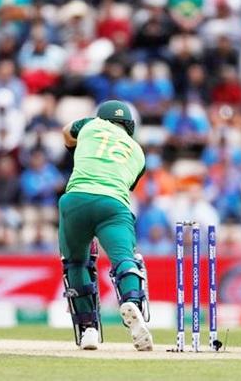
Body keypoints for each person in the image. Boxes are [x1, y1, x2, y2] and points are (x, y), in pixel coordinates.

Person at [59, 100, 152, 351]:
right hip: (114, 204)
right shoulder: (138, 152)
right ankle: (132, 301)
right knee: (125, 259)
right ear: (129, 126)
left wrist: (75, 146)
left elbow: (66, 132)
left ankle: (88, 329)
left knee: (77, 262)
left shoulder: (91, 125)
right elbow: (125, 183)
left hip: (76, 199)